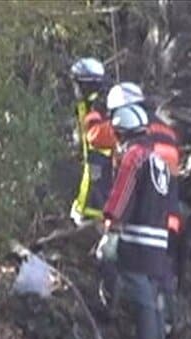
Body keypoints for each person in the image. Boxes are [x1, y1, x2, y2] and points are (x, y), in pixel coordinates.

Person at [106, 82, 185, 336]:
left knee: (137, 281)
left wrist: (113, 223)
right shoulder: (166, 131)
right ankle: (168, 331)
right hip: (165, 217)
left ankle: (139, 337)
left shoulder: (137, 147)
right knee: (159, 279)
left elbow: (129, 185)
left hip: (141, 220)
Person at [68, 57, 116, 226]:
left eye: (77, 84)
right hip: (92, 199)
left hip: (101, 202)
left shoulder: (102, 105)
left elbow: (96, 140)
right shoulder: (84, 105)